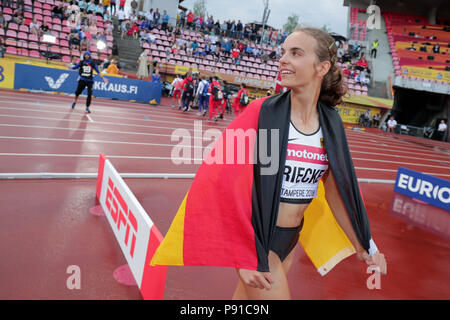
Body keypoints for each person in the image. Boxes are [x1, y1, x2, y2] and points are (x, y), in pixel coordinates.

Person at [151, 26, 387, 300]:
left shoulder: (331, 124)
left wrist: (365, 246)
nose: (283, 59)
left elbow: (338, 191)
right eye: (283, 52)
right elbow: (221, 181)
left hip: (289, 238)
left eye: (295, 53)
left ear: (321, 67)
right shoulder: (262, 113)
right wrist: (242, 254)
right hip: (257, 239)